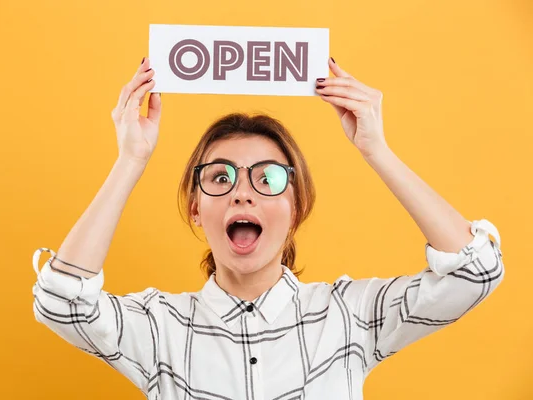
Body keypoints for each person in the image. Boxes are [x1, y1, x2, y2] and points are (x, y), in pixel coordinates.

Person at [31, 56, 504, 399]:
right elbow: (60, 302)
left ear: (295, 208)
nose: (243, 192)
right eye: (220, 177)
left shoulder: (350, 317)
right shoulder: (159, 329)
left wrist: (376, 149)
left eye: (269, 178)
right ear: (195, 208)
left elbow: (475, 272)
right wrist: (130, 160)